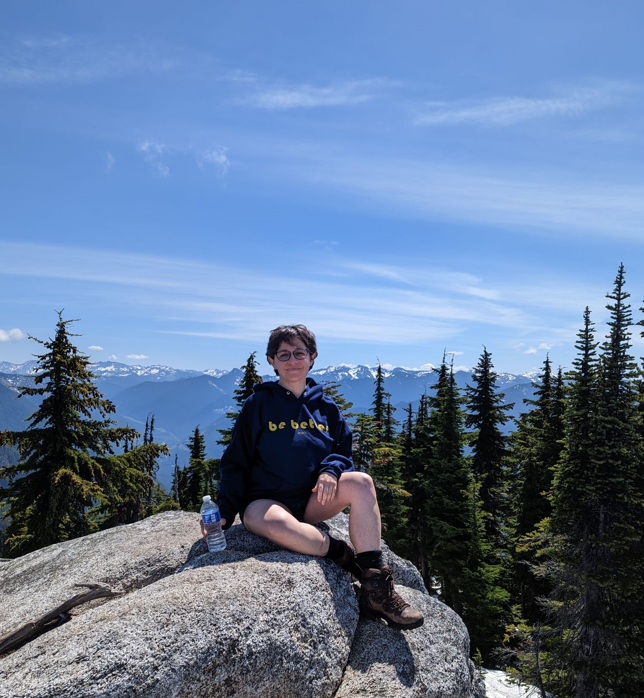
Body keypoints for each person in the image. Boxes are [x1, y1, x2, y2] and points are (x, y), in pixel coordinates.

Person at [207, 324, 423, 631]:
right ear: (272, 360)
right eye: (284, 354)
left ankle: (375, 588)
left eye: (300, 353)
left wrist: (330, 470)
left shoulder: (326, 408)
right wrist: (226, 512)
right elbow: (236, 461)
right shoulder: (258, 405)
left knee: (361, 482)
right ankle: (342, 554)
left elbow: (343, 450)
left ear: (312, 357)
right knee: (278, 525)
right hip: (264, 502)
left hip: (311, 499)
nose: (292, 360)